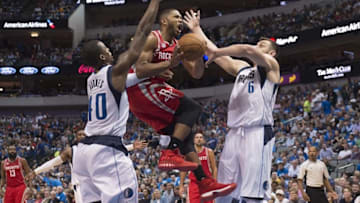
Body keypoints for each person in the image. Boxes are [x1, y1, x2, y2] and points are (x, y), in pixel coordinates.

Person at [127, 8, 236, 201]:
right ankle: (169, 152)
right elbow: (141, 68)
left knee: (186, 135)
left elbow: (196, 74)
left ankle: (204, 182)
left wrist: (201, 54)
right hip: (140, 89)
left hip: (152, 91)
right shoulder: (153, 39)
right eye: (176, 17)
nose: (180, 21)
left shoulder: (178, 45)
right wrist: (167, 65)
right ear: (164, 21)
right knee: (191, 108)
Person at [184, 10, 280, 203]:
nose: (257, 47)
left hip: (257, 133)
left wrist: (218, 52)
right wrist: (196, 30)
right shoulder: (243, 69)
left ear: (271, 53)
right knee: (225, 192)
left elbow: (246, 50)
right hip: (234, 134)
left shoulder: (272, 67)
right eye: (257, 44)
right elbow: (218, 56)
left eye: (262, 46)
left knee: (253, 195)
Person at [72, 0, 162, 202]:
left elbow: (134, 77)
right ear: (103, 57)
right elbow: (141, 32)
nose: (111, 52)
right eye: (107, 49)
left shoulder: (91, 80)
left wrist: (163, 66)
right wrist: (155, 3)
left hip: (84, 153)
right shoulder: (115, 72)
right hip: (106, 151)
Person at [26, 130, 148, 203]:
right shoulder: (71, 151)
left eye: (84, 134)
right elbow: (54, 162)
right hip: (81, 187)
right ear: (76, 137)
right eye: (79, 134)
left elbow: (114, 151)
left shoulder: (96, 149)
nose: (82, 136)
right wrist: (36, 171)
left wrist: (132, 146)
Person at [179, 133, 218, 203]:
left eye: (201, 137)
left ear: (203, 140)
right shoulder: (189, 154)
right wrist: (181, 185)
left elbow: (214, 168)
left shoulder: (209, 152)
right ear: (193, 140)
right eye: (197, 138)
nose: (199, 139)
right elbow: (184, 170)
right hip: (194, 183)